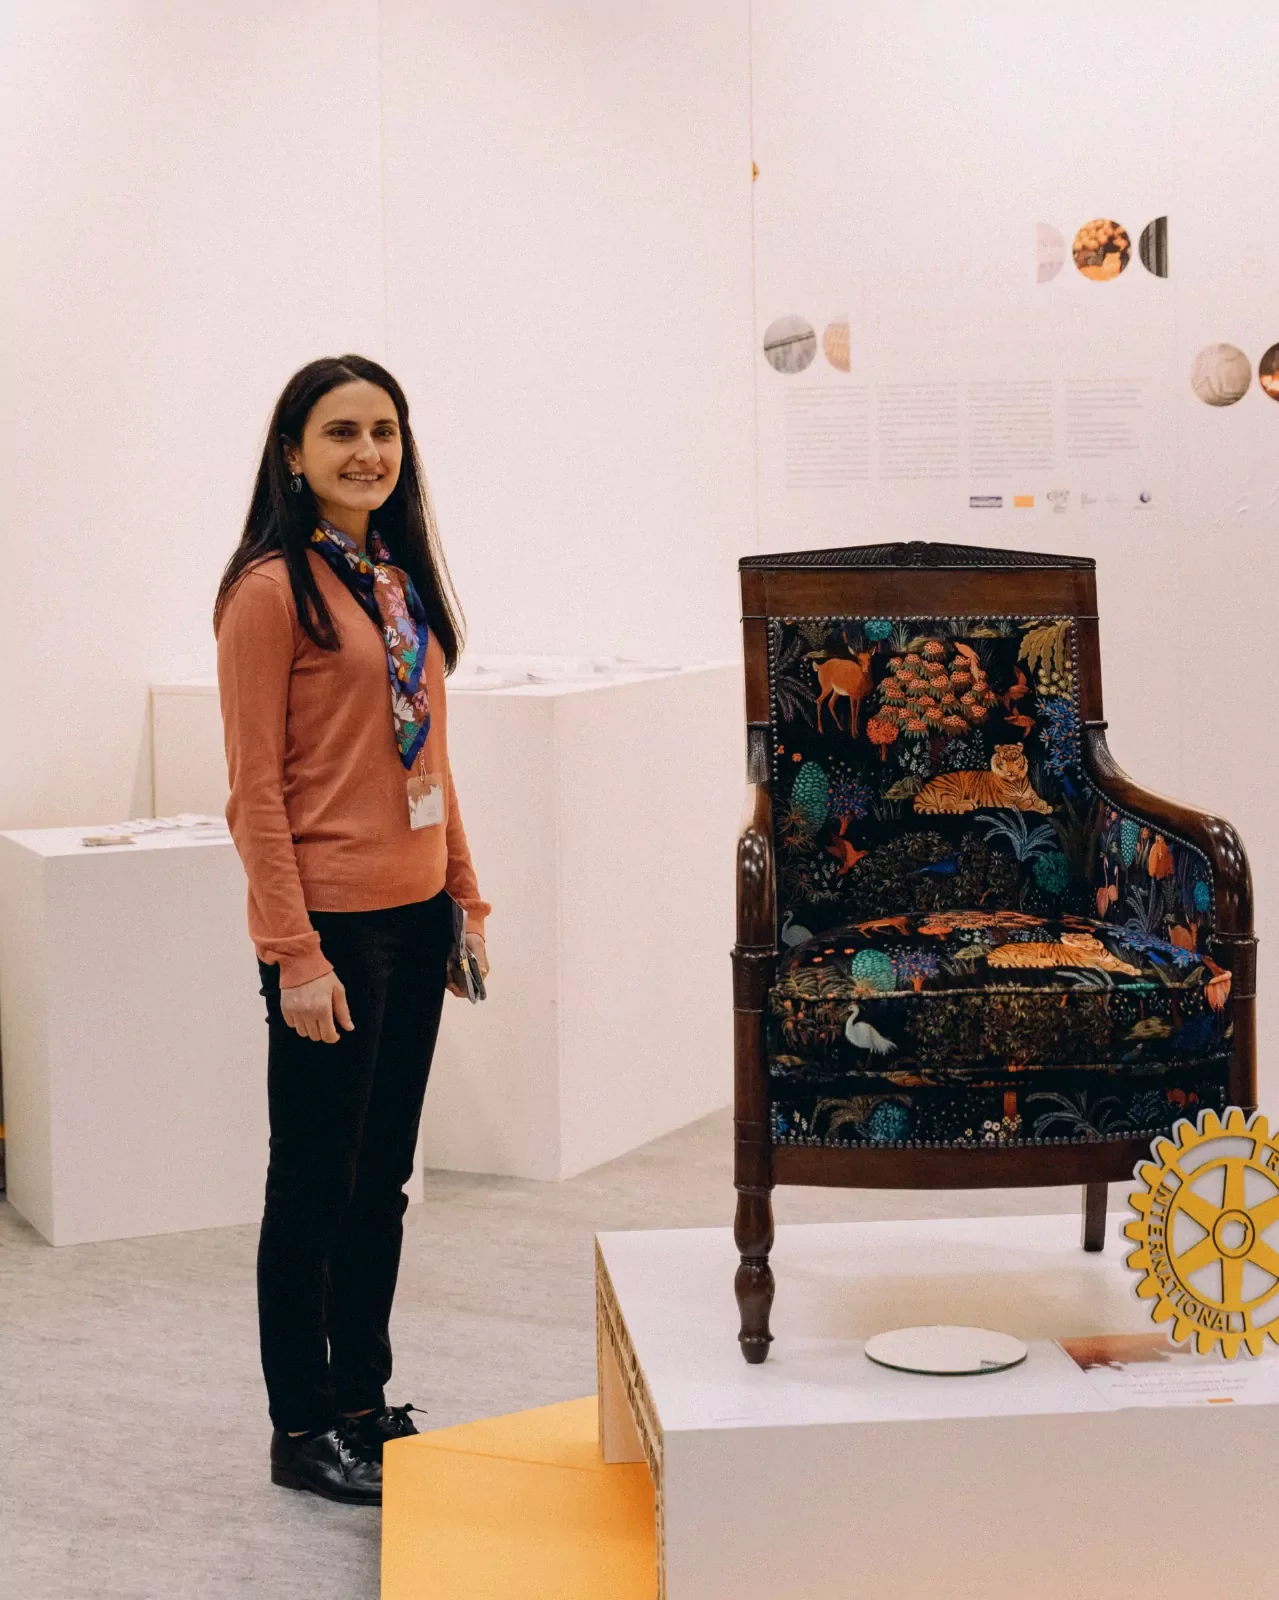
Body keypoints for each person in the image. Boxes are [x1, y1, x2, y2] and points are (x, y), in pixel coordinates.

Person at [213, 355, 490, 1505]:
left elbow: (429, 758)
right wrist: (295, 954)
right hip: (332, 928)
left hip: (417, 919)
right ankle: (301, 1425)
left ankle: (365, 1400)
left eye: (384, 430)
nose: (367, 451)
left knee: (380, 1186)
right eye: (340, 432)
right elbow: (255, 794)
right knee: (313, 1189)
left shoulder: (393, 578)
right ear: (293, 451)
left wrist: (464, 895)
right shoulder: (271, 592)